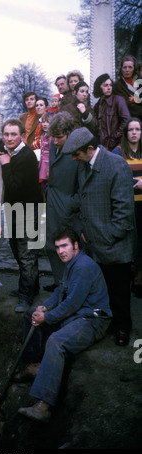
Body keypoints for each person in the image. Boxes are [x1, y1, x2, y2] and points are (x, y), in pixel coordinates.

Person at [17, 227, 112, 423]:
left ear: (76, 246)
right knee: (30, 314)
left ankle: (44, 406)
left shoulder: (84, 266)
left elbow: (71, 304)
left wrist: (47, 317)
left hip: (92, 320)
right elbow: (60, 291)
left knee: (56, 342)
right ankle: (35, 365)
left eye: (65, 246)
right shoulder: (71, 264)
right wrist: (44, 307)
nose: (60, 251)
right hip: (76, 315)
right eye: (58, 247)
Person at [62, 127, 136, 346]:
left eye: (76, 154)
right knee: (102, 291)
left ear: (90, 149)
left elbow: (124, 214)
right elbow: (84, 198)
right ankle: (108, 323)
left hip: (114, 246)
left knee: (120, 291)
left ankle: (123, 328)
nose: (74, 159)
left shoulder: (117, 166)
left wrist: (106, 237)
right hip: (95, 244)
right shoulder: (85, 165)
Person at [0, 119, 41, 313]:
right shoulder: (10, 153)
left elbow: (14, 187)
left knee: (27, 254)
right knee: (19, 251)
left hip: (29, 212)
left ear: (22, 136)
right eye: (6, 134)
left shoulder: (26, 156)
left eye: (13, 134)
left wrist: (5, 164)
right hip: (15, 211)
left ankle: (26, 296)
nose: (9, 138)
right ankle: (32, 287)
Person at [44, 111, 81, 292]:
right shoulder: (53, 145)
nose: (55, 141)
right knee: (51, 246)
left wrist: (69, 205)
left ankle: (70, 289)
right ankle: (60, 283)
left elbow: (83, 187)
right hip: (52, 205)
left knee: (69, 250)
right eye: (53, 137)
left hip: (68, 211)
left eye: (59, 137)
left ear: (70, 133)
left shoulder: (77, 149)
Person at [112, 117, 142, 298]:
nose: (134, 133)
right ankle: (124, 280)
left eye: (137, 129)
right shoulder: (118, 151)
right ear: (126, 133)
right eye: (131, 129)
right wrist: (134, 182)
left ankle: (138, 280)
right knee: (128, 243)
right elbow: (114, 174)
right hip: (126, 205)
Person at [93, 73, 131, 151]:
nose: (109, 87)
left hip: (114, 144)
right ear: (99, 87)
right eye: (105, 85)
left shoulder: (118, 100)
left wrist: (113, 140)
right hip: (100, 143)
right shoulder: (98, 105)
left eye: (110, 85)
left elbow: (126, 121)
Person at [113, 55, 142, 119]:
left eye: (130, 67)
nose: (127, 70)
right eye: (124, 67)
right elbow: (126, 105)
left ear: (134, 68)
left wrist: (136, 100)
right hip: (129, 121)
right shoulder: (117, 85)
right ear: (121, 69)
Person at [37, 113, 52, 200]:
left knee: (47, 187)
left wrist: (50, 169)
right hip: (42, 165)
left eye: (48, 122)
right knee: (42, 187)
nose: (45, 124)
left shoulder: (51, 137)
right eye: (43, 122)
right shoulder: (42, 135)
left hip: (48, 166)